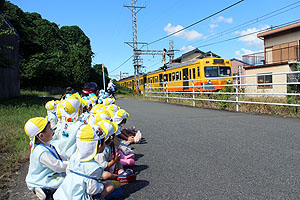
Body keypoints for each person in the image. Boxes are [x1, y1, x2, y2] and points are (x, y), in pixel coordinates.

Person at [53, 123, 115, 200]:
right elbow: (92, 190)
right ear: (98, 146)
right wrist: (101, 186)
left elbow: (67, 172)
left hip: (63, 195)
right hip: (79, 197)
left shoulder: (73, 157)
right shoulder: (95, 167)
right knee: (110, 186)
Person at [24, 117, 68, 200]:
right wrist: (71, 164)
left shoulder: (45, 145)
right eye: (50, 129)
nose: (52, 131)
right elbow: (57, 166)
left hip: (47, 173)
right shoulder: (41, 152)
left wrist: (66, 158)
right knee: (65, 180)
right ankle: (46, 191)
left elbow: (57, 155)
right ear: (41, 135)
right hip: (42, 178)